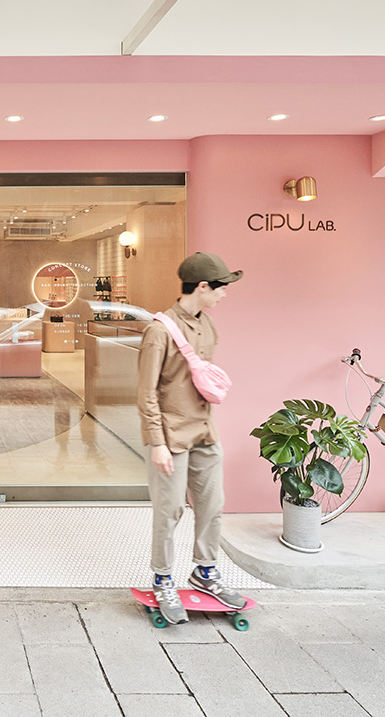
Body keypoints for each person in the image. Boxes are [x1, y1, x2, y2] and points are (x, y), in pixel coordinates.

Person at [137, 251, 248, 625]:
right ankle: (162, 577)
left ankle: (205, 571)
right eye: (221, 288)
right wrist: (157, 442)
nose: (224, 294)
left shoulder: (209, 326)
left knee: (212, 506)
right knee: (169, 510)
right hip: (171, 437)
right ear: (202, 287)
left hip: (205, 433)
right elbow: (146, 393)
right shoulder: (159, 331)